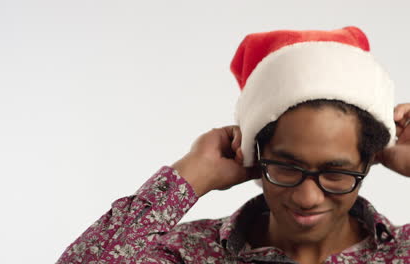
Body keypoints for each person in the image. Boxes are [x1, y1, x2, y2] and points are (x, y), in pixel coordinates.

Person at [56, 27, 410, 264]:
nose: (307, 197)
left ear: (369, 160)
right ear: (255, 157)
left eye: (335, 172)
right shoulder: (190, 253)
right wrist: (191, 175)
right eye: (286, 166)